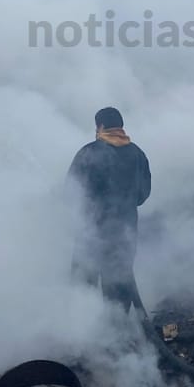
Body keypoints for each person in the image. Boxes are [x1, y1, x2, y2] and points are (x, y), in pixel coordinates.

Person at [67, 107, 152, 313]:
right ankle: (120, 337)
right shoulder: (138, 154)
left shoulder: (89, 152)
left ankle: (84, 334)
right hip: (125, 234)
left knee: (82, 286)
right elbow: (142, 195)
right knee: (118, 291)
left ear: (101, 126)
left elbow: (71, 192)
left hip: (91, 235)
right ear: (121, 127)